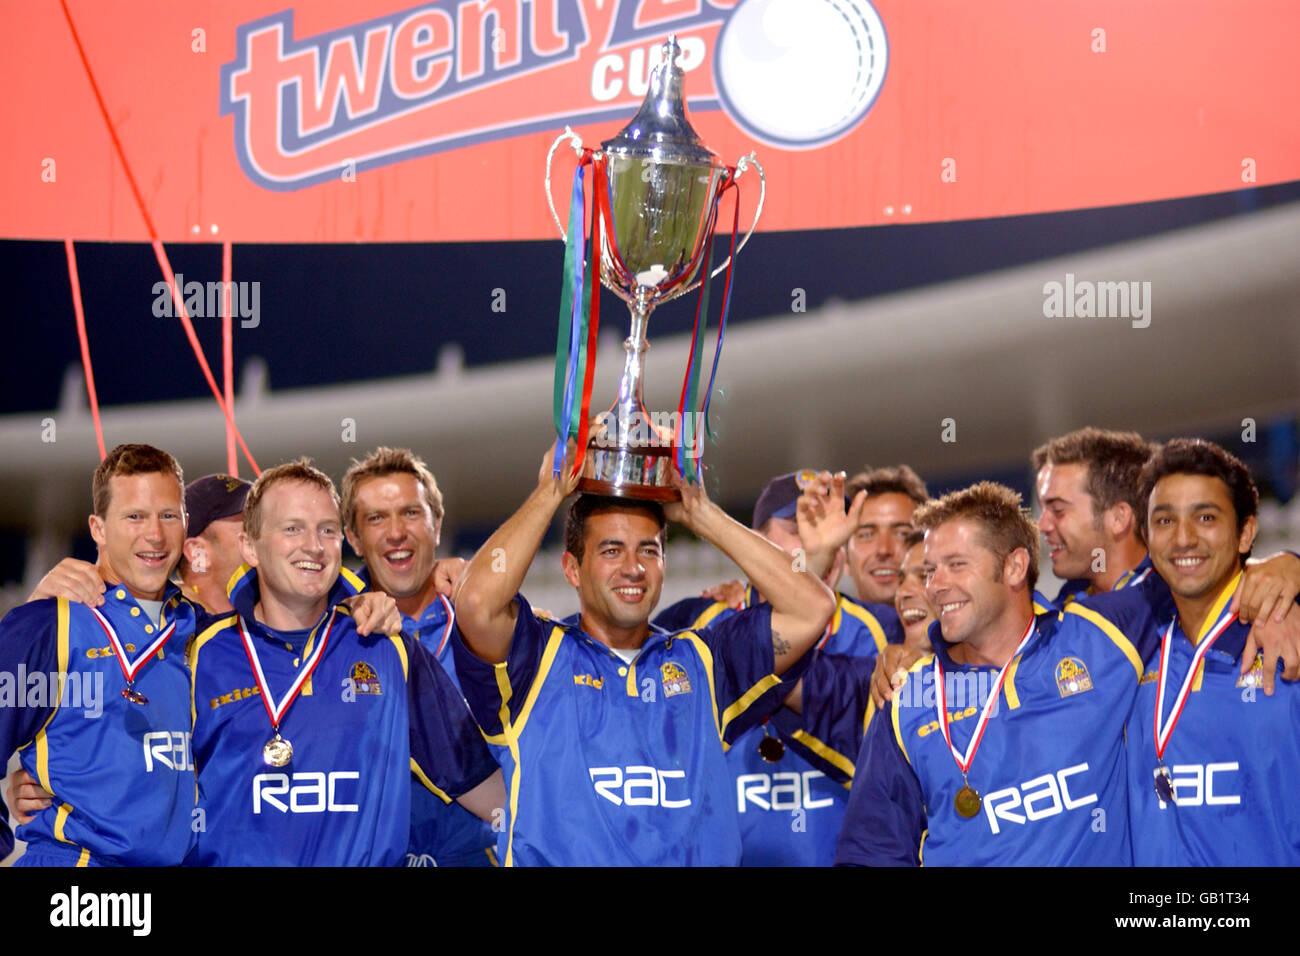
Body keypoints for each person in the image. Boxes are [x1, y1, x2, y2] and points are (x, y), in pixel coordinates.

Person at [450, 451, 837, 865]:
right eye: (611, 551)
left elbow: (812, 608)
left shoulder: (705, 663)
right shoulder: (534, 657)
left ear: (665, 563)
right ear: (572, 568)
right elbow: (475, 603)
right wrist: (549, 492)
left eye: (649, 551)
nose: (633, 568)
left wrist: (701, 514)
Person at [186, 459, 503, 866]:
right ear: (250, 546)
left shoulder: (388, 649)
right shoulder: (200, 654)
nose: (314, 546)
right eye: (292, 528)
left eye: (327, 530)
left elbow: (488, 791)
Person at [836, 481, 1156, 866]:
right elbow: (871, 854)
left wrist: (1252, 573)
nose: (935, 586)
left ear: (1014, 566)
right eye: (930, 571)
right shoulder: (906, 701)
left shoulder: (1101, 636)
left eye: (956, 565)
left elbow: (1195, 577)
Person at [653, 469, 900, 866]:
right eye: (797, 526)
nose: (822, 540)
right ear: (757, 540)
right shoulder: (694, 621)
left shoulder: (884, 632)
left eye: (835, 529)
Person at [0, 444, 197, 866]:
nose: (155, 535)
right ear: (98, 528)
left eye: (168, 515)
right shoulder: (48, 625)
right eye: (134, 517)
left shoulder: (194, 631)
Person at [1122, 439, 1300, 863]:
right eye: (1165, 521)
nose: (1184, 538)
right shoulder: (1127, 646)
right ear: (1146, 538)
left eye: (1206, 517)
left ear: (1245, 533)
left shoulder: (1287, 635)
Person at [340, 446, 496, 866]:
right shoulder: (333, 639)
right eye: (376, 518)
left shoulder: (490, 626)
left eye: (410, 513)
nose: (396, 532)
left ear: (437, 523)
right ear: (352, 538)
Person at [1031, 427, 1155, 610]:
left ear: (1118, 518)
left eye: (1057, 510)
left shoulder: (1174, 611)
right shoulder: (1064, 611)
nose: (1041, 525)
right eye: (1042, 510)